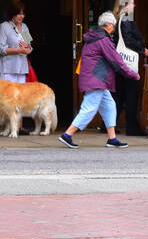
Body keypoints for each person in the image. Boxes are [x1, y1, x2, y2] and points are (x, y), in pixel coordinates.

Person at [60, 12, 139, 149]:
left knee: (110, 106)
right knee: (89, 108)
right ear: (108, 25)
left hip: (95, 79)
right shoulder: (103, 40)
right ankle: (67, 134)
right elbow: (116, 61)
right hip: (96, 79)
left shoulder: (94, 37)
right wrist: (132, 74)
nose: (114, 29)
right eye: (113, 26)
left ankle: (112, 138)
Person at [110, 0, 148, 136]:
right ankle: (132, 127)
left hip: (120, 63)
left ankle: (108, 124)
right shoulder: (126, 19)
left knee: (119, 96)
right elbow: (128, 41)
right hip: (128, 63)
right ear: (125, 5)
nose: (134, 5)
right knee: (131, 95)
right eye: (132, 3)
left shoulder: (120, 18)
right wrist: (142, 50)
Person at [0, 2, 32, 83]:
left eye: (23, 14)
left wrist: (28, 48)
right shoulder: (4, 27)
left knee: (21, 95)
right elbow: (0, 49)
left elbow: (29, 46)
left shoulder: (24, 27)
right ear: (12, 13)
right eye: (19, 14)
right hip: (7, 70)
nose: (22, 16)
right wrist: (20, 50)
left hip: (22, 69)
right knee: (7, 95)